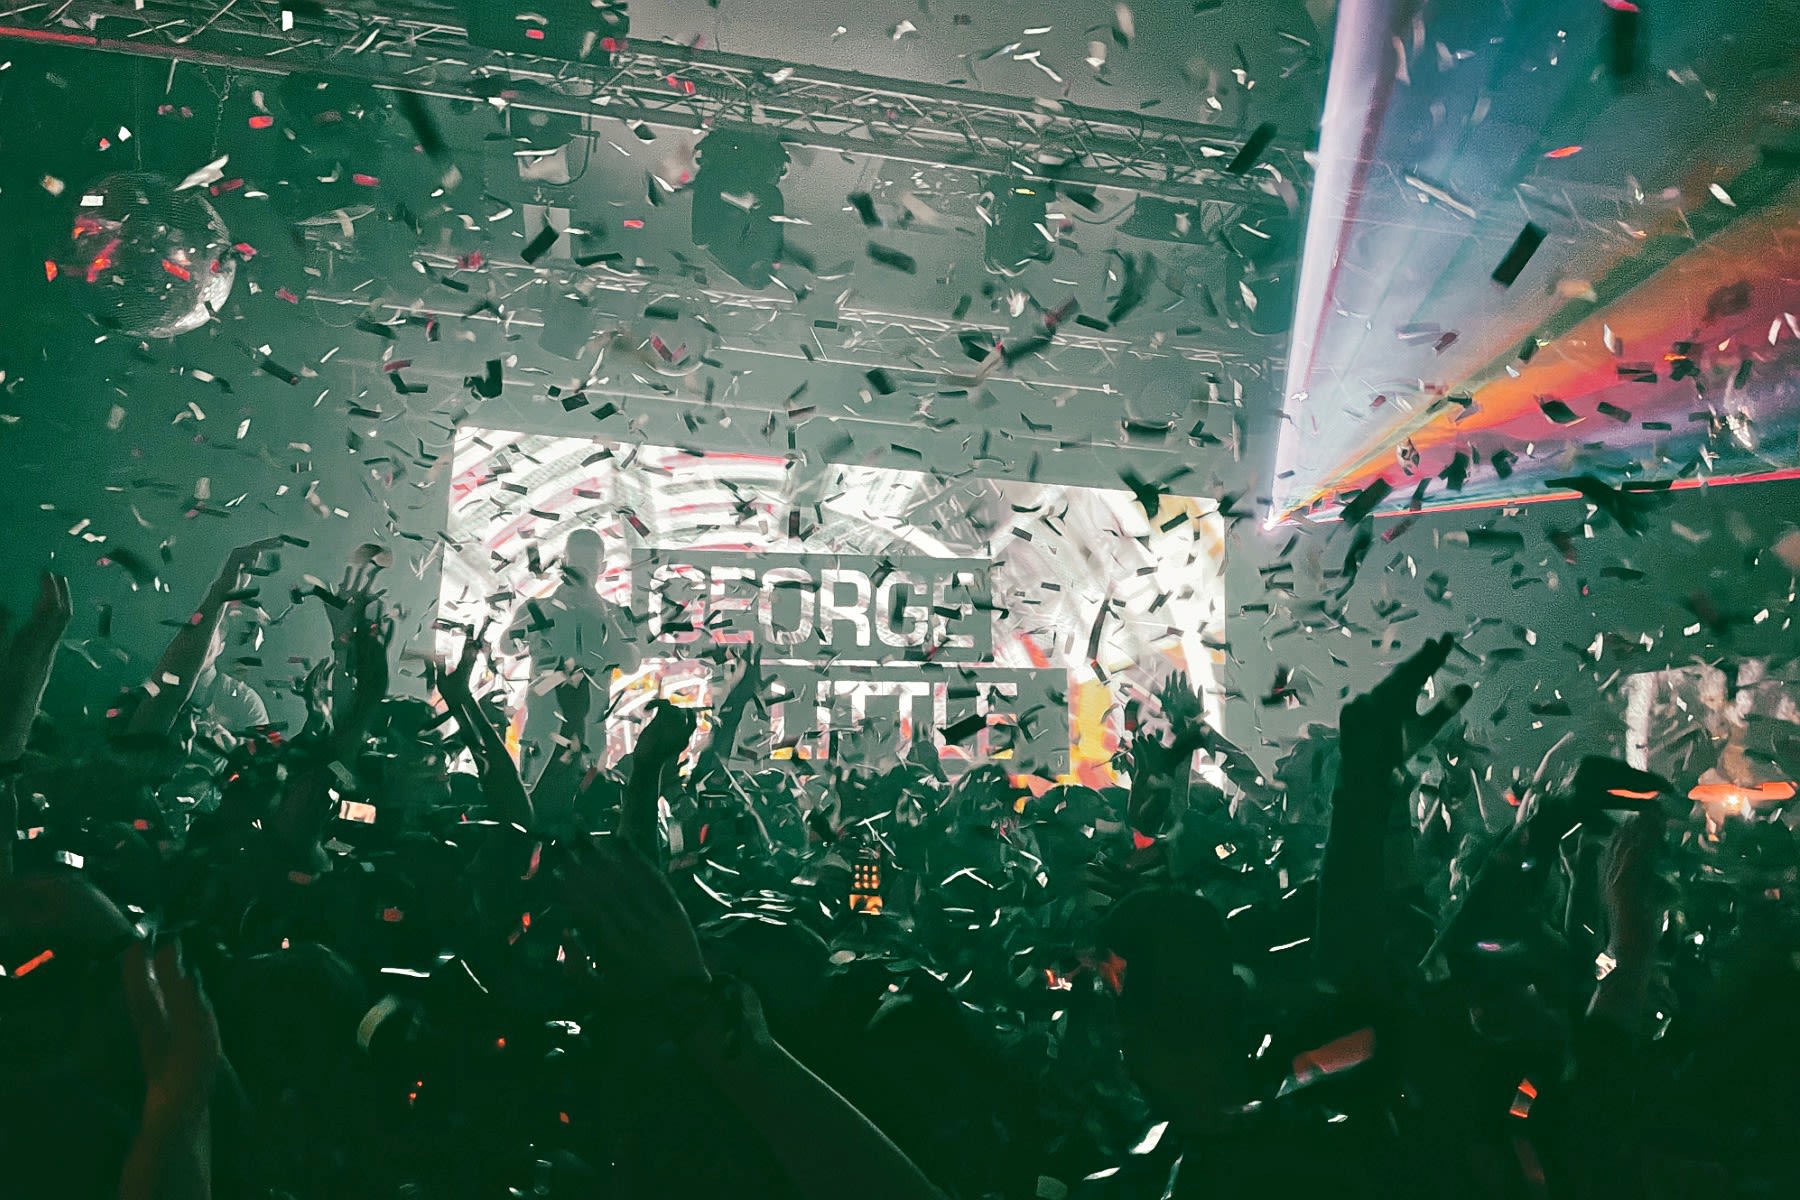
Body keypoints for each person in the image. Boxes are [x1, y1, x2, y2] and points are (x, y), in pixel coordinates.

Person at [503, 528, 640, 771]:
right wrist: (543, 614)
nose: (581, 569)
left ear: (602, 567)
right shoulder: (539, 607)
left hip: (590, 734)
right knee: (535, 800)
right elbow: (506, 645)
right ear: (564, 562)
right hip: (542, 730)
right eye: (576, 561)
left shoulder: (615, 614)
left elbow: (631, 664)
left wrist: (604, 617)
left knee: (586, 805)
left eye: (588, 563)